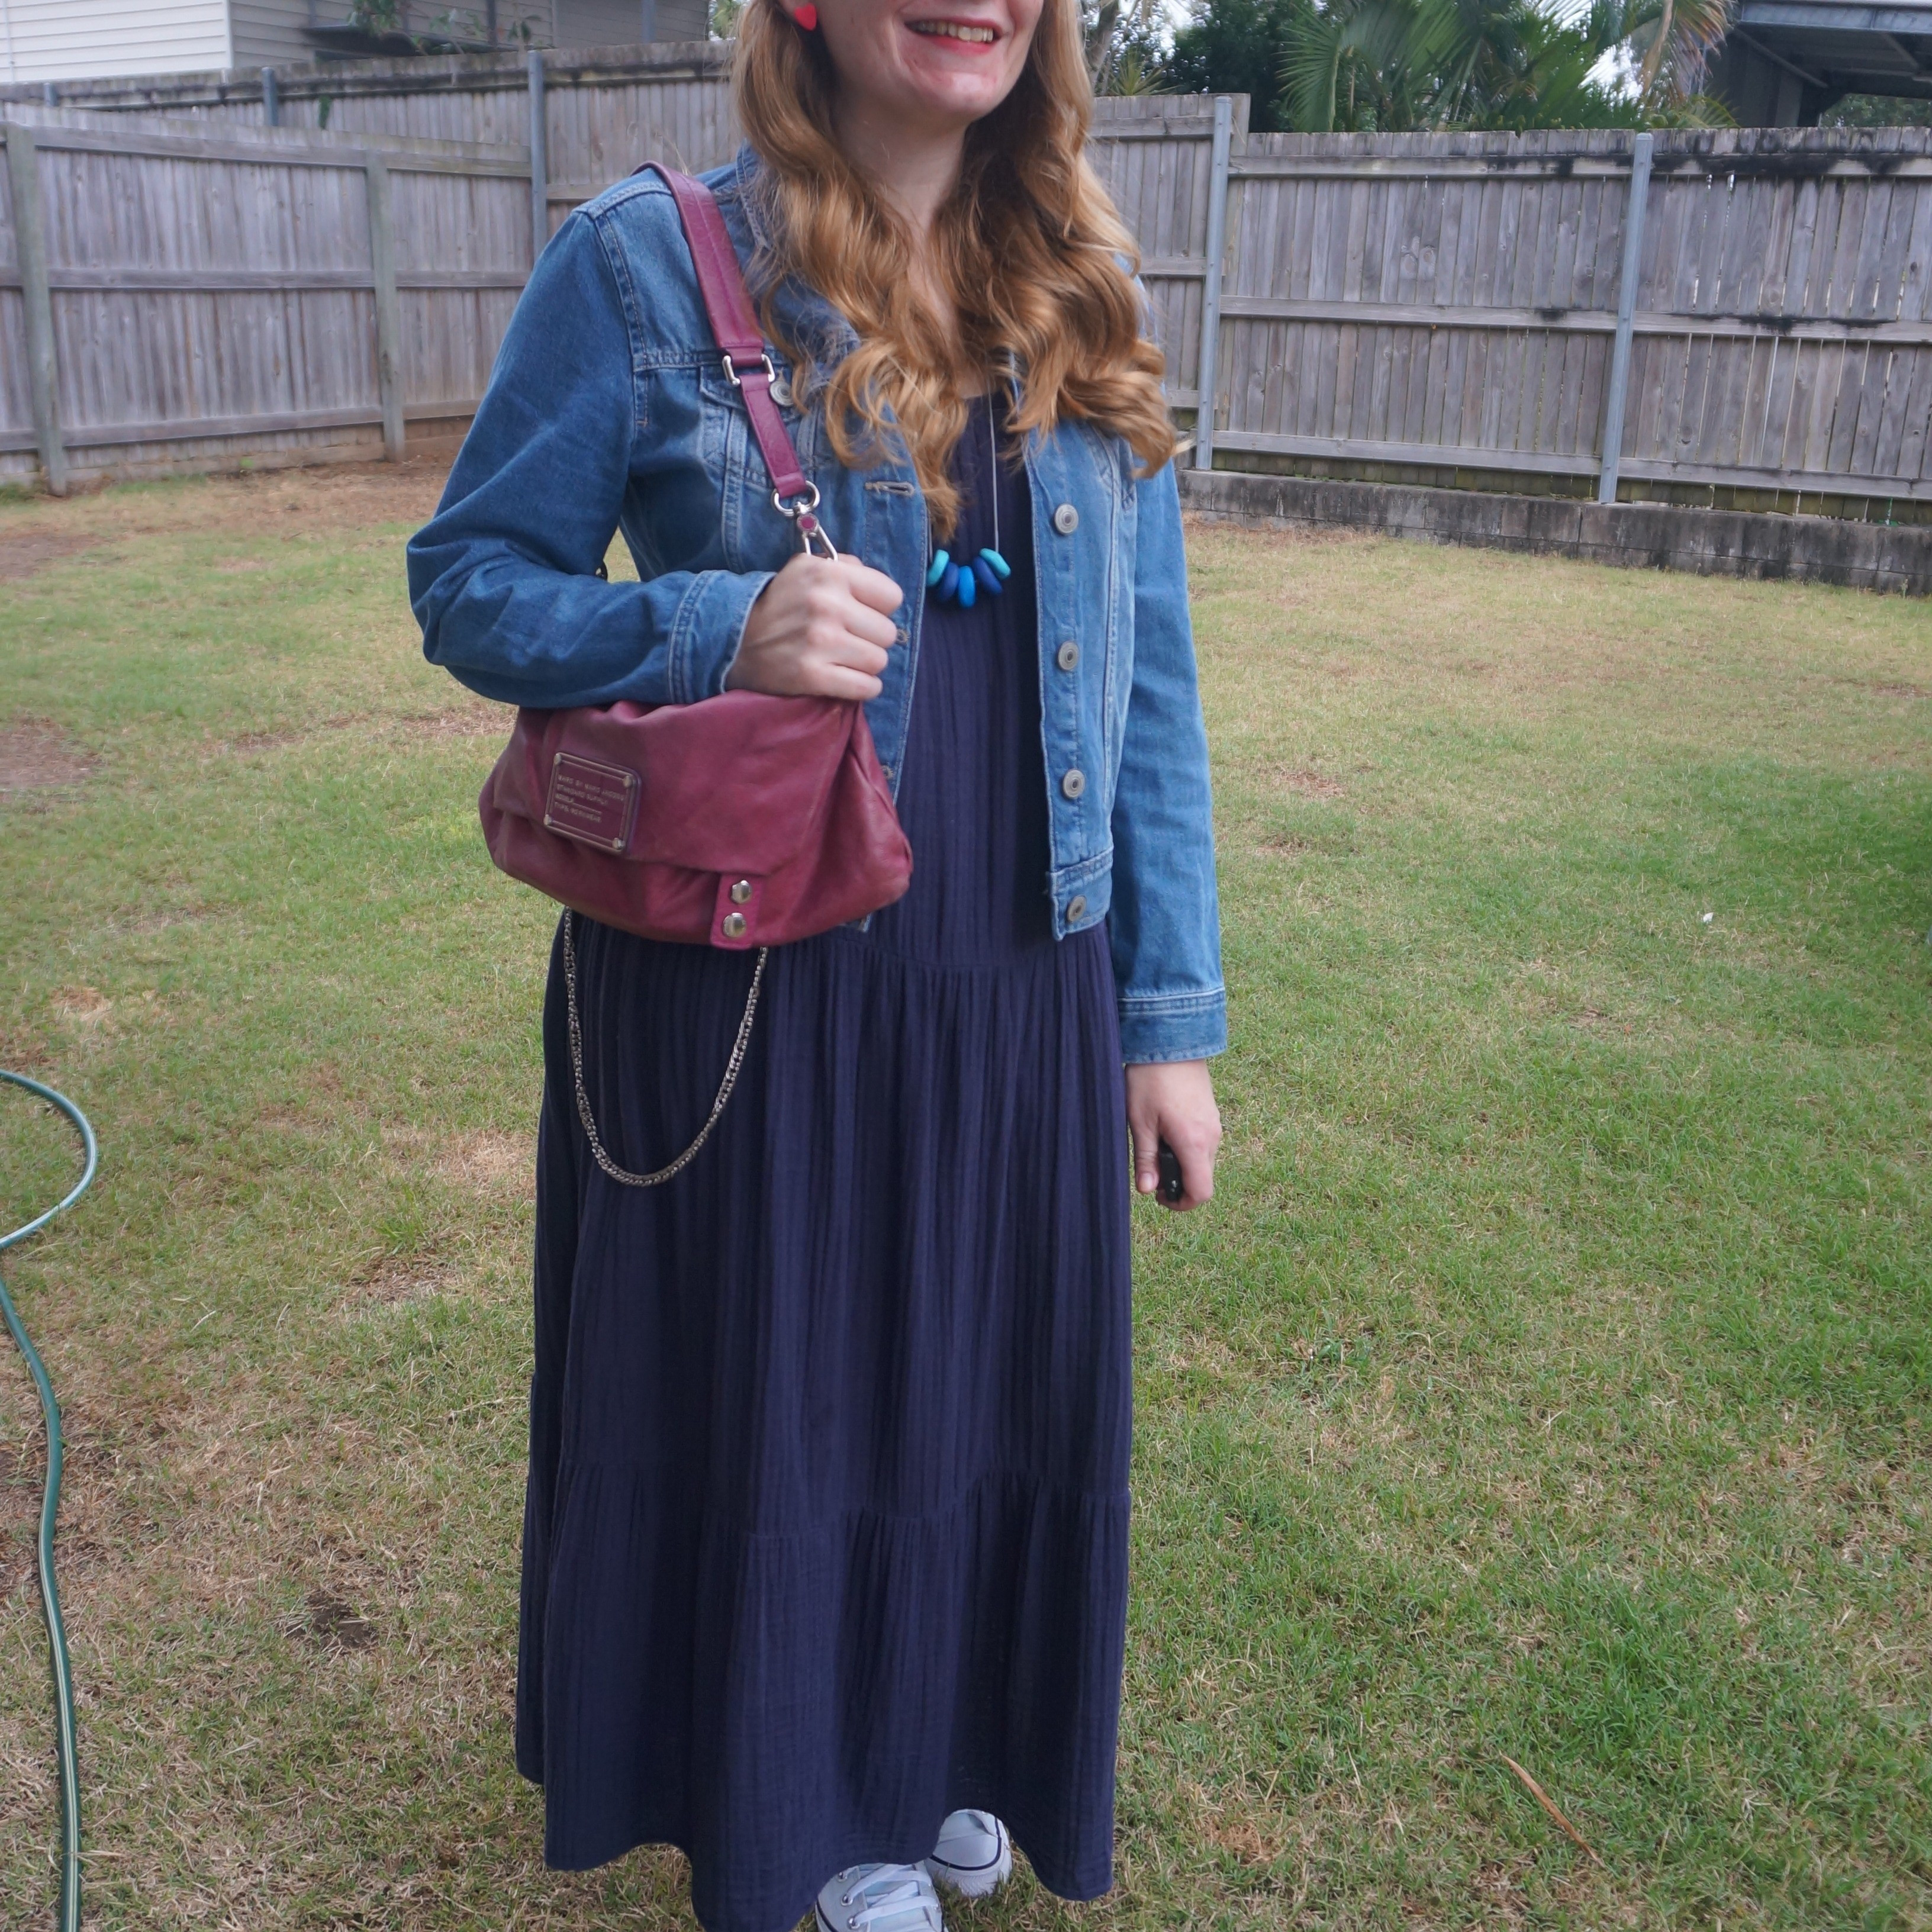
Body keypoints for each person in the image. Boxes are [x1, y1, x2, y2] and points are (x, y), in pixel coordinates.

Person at [405, 0, 1224, 1925]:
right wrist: (715, 624)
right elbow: (470, 583)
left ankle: (942, 1749)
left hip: (1028, 980)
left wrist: (1163, 1019)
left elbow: (1159, 683)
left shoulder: (1081, 284)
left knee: (983, 1393)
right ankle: (818, 1810)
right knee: (805, 1404)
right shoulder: (648, 262)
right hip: (767, 985)